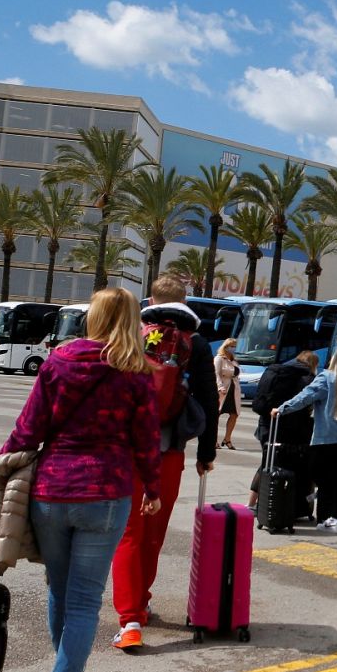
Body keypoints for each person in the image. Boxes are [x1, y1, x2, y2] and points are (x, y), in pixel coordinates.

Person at [0, 286, 160, 672]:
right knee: (83, 602)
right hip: (105, 492)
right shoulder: (137, 372)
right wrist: (153, 489)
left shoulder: (59, 362)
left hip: (52, 491)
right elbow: (145, 439)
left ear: (93, 318)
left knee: (58, 591)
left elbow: (29, 426)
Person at [110, 276, 219, 652]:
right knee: (154, 533)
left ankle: (130, 621)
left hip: (127, 451)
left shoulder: (133, 335)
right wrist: (207, 452)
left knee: (129, 533)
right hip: (170, 452)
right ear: (185, 300)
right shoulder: (198, 343)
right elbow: (208, 399)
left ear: (152, 299)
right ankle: (142, 599)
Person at [276, 344, 337, 535]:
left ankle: (326, 518)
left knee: (323, 478)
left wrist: (282, 408)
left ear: (334, 358)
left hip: (327, 438)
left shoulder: (327, 378)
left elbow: (305, 397)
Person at [249, 350, 319, 509]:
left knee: (267, 464)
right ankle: (276, 504)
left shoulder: (277, 371)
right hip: (286, 430)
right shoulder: (305, 378)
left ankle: (255, 503)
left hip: (266, 425)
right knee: (276, 465)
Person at [214, 337, 241, 450]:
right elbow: (217, 374)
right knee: (216, 414)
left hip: (234, 389)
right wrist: (220, 387)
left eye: (234, 346)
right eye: (231, 346)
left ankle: (227, 439)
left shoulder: (234, 360)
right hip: (223, 389)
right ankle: (213, 440)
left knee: (234, 414)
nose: (233, 348)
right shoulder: (219, 359)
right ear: (225, 347)